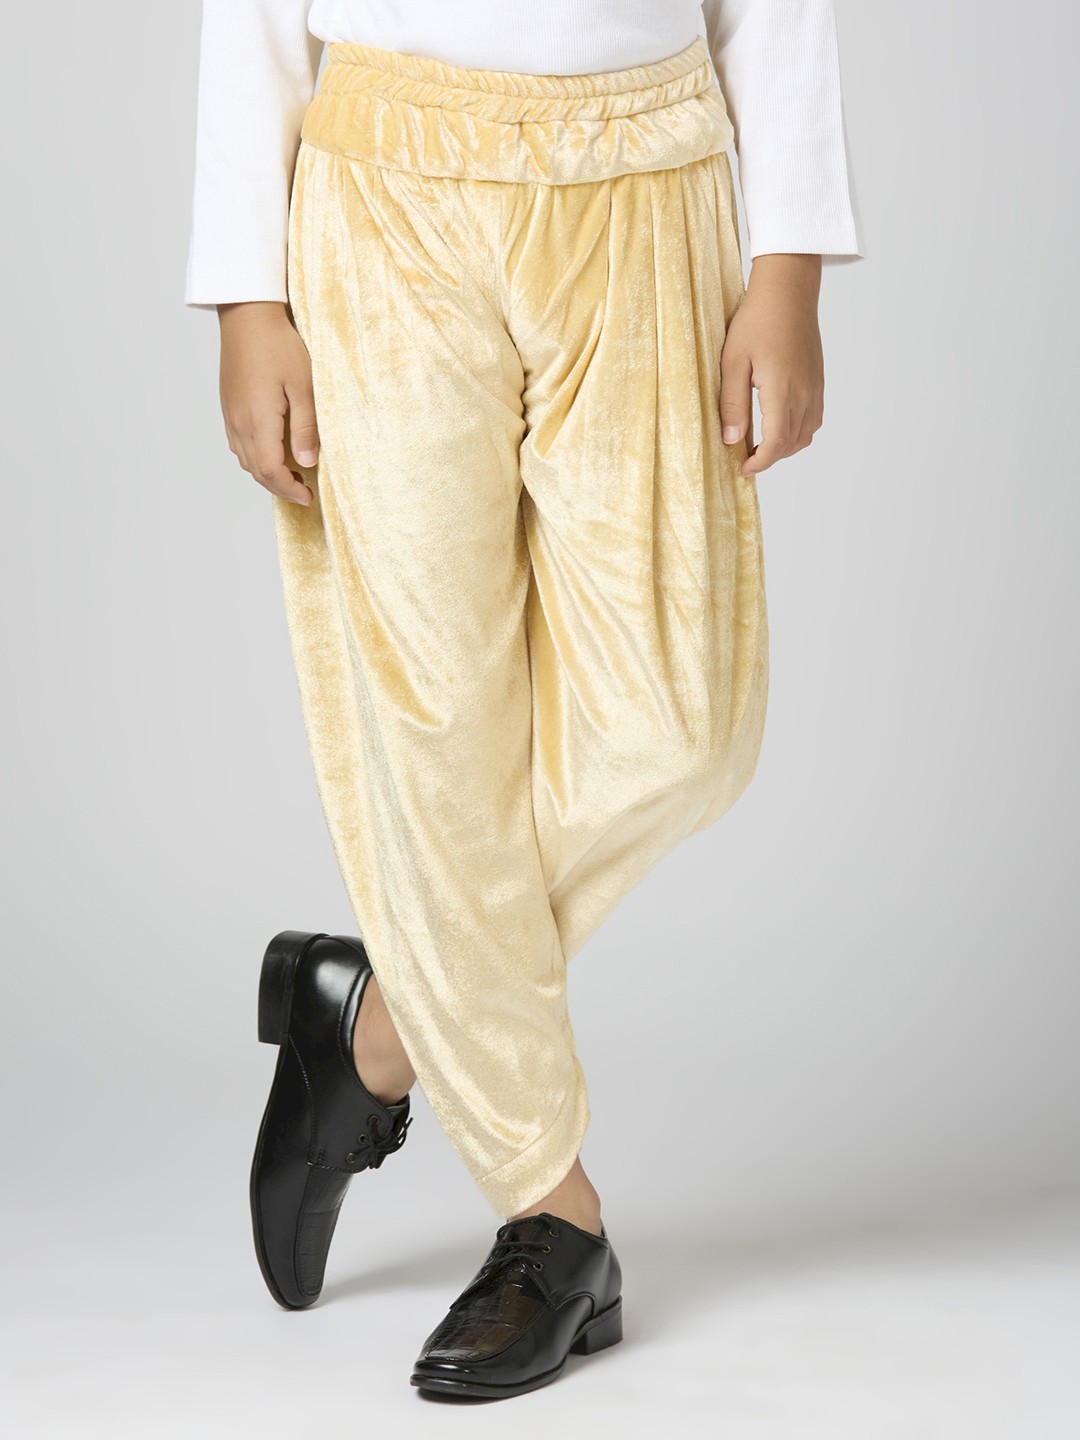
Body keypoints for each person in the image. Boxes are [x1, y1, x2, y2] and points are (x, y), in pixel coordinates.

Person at [185, 0, 864, 1402]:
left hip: (645, 171)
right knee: (439, 727)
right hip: (387, 179)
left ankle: (378, 1021)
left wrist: (789, 264)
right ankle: (554, 1217)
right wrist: (248, 295)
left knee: (683, 726)